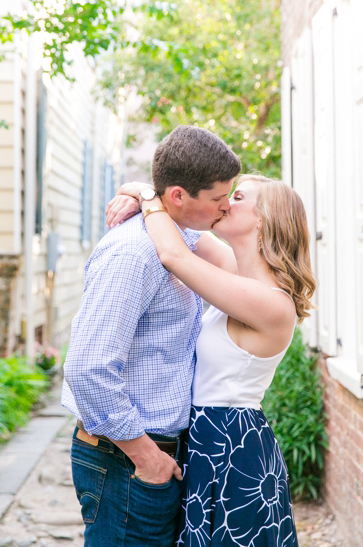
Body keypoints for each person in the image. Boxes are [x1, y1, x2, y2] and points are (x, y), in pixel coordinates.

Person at [106, 173, 316, 546]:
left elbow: (173, 253)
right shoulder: (235, 274)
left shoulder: (272, 304)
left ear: (264, 218)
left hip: (233, 445)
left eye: (236, 197)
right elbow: (176, 215)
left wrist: (145, 198)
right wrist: (137, 191)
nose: (223, 203)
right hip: (206, 437)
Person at [61, 125, 241, 547]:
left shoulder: (182, 236)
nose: (225, 209)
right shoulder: (132, 254)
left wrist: (142, 191)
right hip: (126, 458)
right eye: (218, 199)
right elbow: (87, 368)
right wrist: (147, 458)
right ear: (179, 196)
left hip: (150, 454)